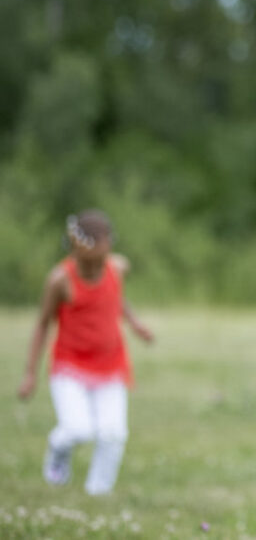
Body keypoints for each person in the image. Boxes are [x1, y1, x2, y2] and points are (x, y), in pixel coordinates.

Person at [17, 209, 154, 496]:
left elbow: (116, 297)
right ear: (77, 245)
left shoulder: (117, 267)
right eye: (97, 246)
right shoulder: (60, 280)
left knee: (113, 433)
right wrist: (31, 373)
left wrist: (135, 323)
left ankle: (97, 492)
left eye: (107, 244)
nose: (105, 253)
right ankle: (57, 449)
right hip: (70, 368)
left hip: (110, 366)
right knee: (78, 429)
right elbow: (43, 324)